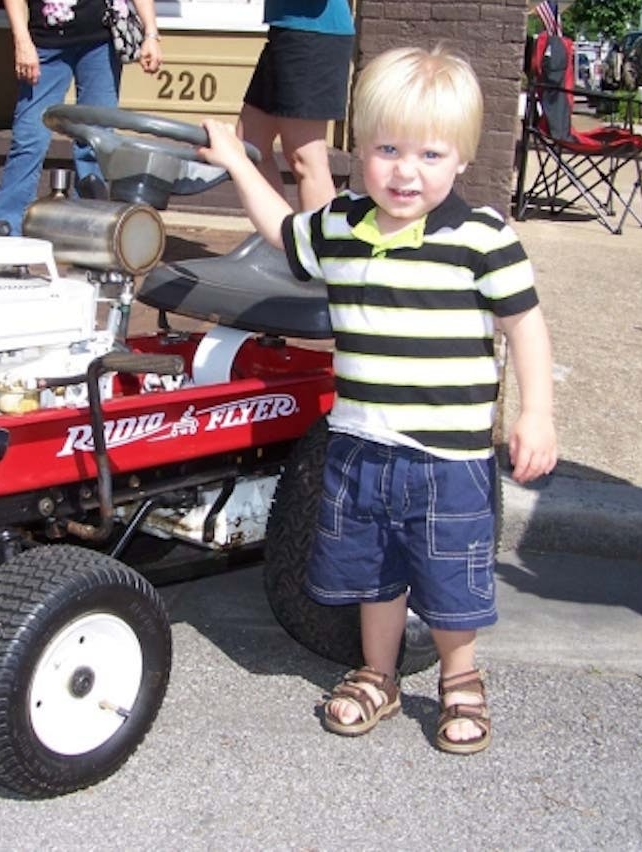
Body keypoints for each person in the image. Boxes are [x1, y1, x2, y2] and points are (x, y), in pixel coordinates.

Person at [199, 46, 557, 755]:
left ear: (460, 159)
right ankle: (378, 673)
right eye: (387, 149)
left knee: (451, 576)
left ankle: (460, 677)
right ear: (358, 148)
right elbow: (282, 233)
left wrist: (536, 411)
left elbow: (525, 325)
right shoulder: (341, 226)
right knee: (374, 574)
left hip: (447, 458)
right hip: (361, 446)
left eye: (429, 154)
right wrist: (241, 162)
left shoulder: (483, 237)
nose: (405, 170)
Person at [0, 0, 162, 236]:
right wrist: (22, 41)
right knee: (30, 134)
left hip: (102, 42)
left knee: (97, 138)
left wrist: (151, 34)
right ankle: (6, 220)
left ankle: (86, 224)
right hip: (46, 44)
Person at [226, 0, 354, 211]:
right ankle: (281, 240)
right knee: (249, 148)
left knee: (305, 159)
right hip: (290, 32)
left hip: (312, 37)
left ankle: (324, 247)